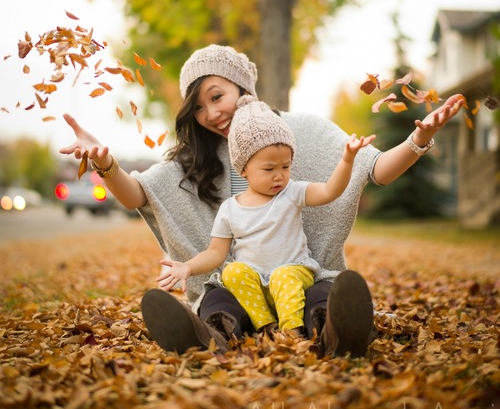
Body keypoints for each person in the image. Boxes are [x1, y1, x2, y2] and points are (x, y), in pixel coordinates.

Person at [60, 44, 465, 358]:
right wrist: (105, 164)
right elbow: (139, 195)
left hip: (300, 275)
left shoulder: (299, 131)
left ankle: (338, 335)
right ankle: (208, 336)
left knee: (323, 297)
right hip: (240, 281)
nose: (210, 113)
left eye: (217, 96)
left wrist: (419, 140)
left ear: (243, 87)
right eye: (198, 107)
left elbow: (374, 169)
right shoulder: (195, 156)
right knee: (217, 300)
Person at [156, 95, 376, 339]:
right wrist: (187, 267)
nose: (279, 176)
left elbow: (330, 191)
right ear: (243, 169)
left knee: (284, 276)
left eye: (286, 166)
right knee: (232, 272)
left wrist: (346, 160)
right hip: (255, 287)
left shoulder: (292, 193)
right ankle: (265, 326)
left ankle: (293, 333)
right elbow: (215, 253)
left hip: (294, 273)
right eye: (269, 169)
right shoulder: (230, 209)